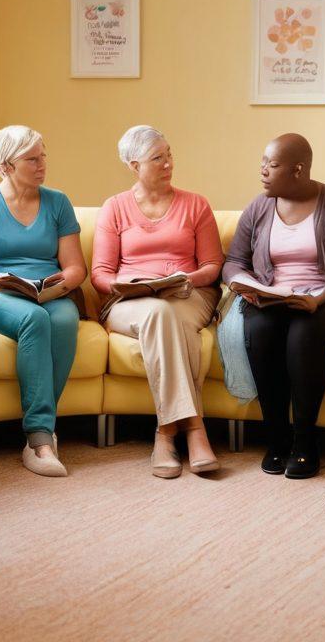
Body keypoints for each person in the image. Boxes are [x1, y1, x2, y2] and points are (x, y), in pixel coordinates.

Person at [223, 134, 325, 479]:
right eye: (262, 162)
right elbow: (233, 260)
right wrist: (246, 285)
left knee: (303, 334)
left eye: (272, 165)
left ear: (298, 170)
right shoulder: (259, 207)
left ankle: (306, 442)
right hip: (273, 298)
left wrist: (319, 297)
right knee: (260, 331)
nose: (262, 171)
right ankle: (276, 440)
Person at [91, 126, 224, 478]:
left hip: (189, 293)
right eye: (157, 158)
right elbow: (100, 274)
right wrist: (129, 284)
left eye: (169, 155)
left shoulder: (196, 204)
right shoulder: (114, 208)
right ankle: (193, 429)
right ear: (134, 165)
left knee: (168, 313)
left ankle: (165, 434)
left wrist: (184, 279)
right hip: (129, 300)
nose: (168, 164)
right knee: (159, 313)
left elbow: (212, 267)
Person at [0, 125, 86, 477]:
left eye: (43, 155)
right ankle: (39, 438)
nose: (42, 163)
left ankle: (42, 430)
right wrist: (1, 282)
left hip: (48, 289)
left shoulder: (58, 202)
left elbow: (75, 267)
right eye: (32, 158)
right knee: (35, 319)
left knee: (62, 319)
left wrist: (59, 285)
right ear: (5, 167)